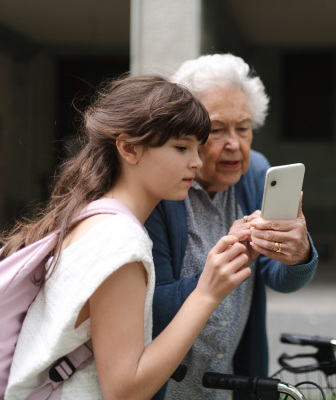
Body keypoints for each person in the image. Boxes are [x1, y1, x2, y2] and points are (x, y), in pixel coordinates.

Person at [2, 75, 251, 399]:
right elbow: (125, 388)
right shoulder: (121, 241)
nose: (196, 161)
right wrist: (207, 294)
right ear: (129, 148)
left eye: (196, 147)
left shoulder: (92, 216)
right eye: (181, 147)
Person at [145, 53, 319, 400]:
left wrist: (298, 254)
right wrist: (217, 274)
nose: (235, 145)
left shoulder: (255, 173)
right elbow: (151, 309)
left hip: (229, 386)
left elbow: (279, 277)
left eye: (243, 128)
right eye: (217, 129)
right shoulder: (162, 188)